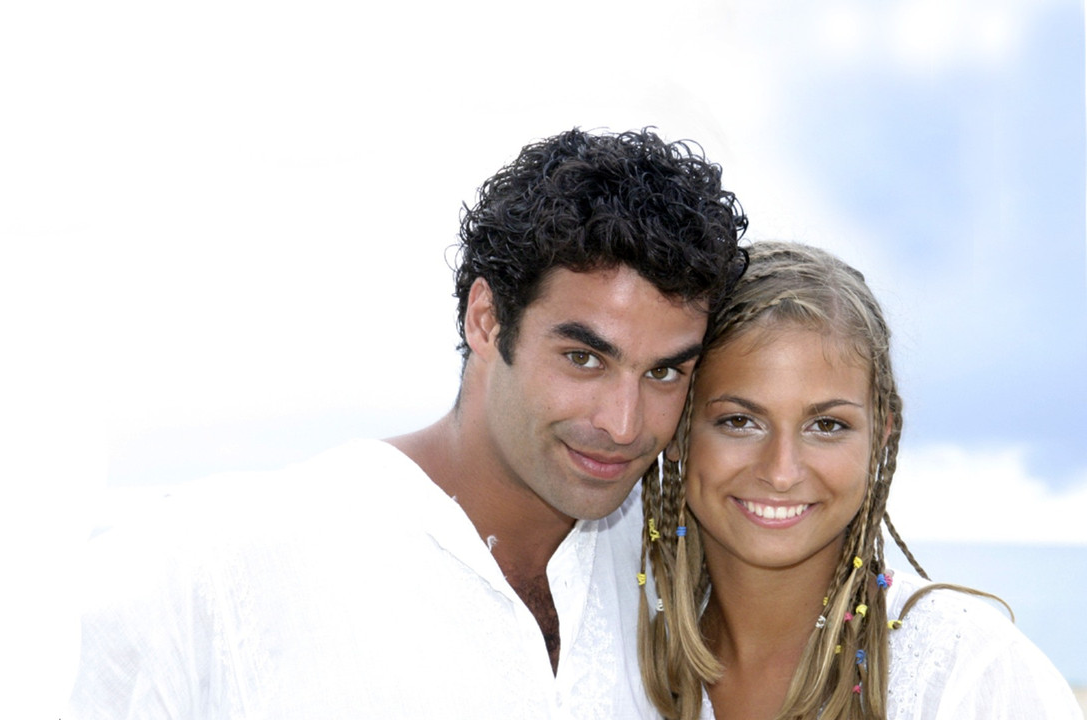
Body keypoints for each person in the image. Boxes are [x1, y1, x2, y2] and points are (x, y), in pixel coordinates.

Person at [66, 128, 748, 719]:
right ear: (486, 320)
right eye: (583, 358)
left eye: (664, 372)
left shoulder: (682, 583)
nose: (624, 423)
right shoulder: (217, 566)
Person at [636, 241, 1082, 720]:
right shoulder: (623, 646)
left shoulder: (969, 674)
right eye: (740, 421)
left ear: (880, 437)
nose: (781, 472)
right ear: (678, 428)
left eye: (826, 425)